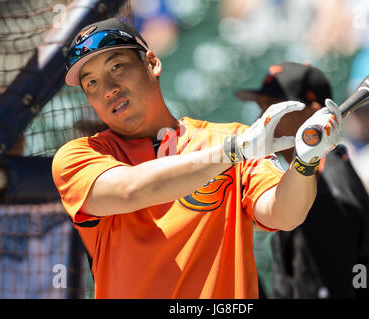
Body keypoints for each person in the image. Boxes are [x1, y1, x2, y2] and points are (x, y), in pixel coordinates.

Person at [52, 18, 342, 298]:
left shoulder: (231, 139)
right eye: (91, 83)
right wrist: (233, 152)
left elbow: (284, 214)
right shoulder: (77, 156)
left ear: (152, 63)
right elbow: (130, 190)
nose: (108, 88)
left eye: (117, 66)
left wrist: (305, 163)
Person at [236, 62, 369, 298]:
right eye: (261, 107)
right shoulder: (320, 172)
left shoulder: (325, 193)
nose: (261, 119)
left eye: (273, 107)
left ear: (314, 113)